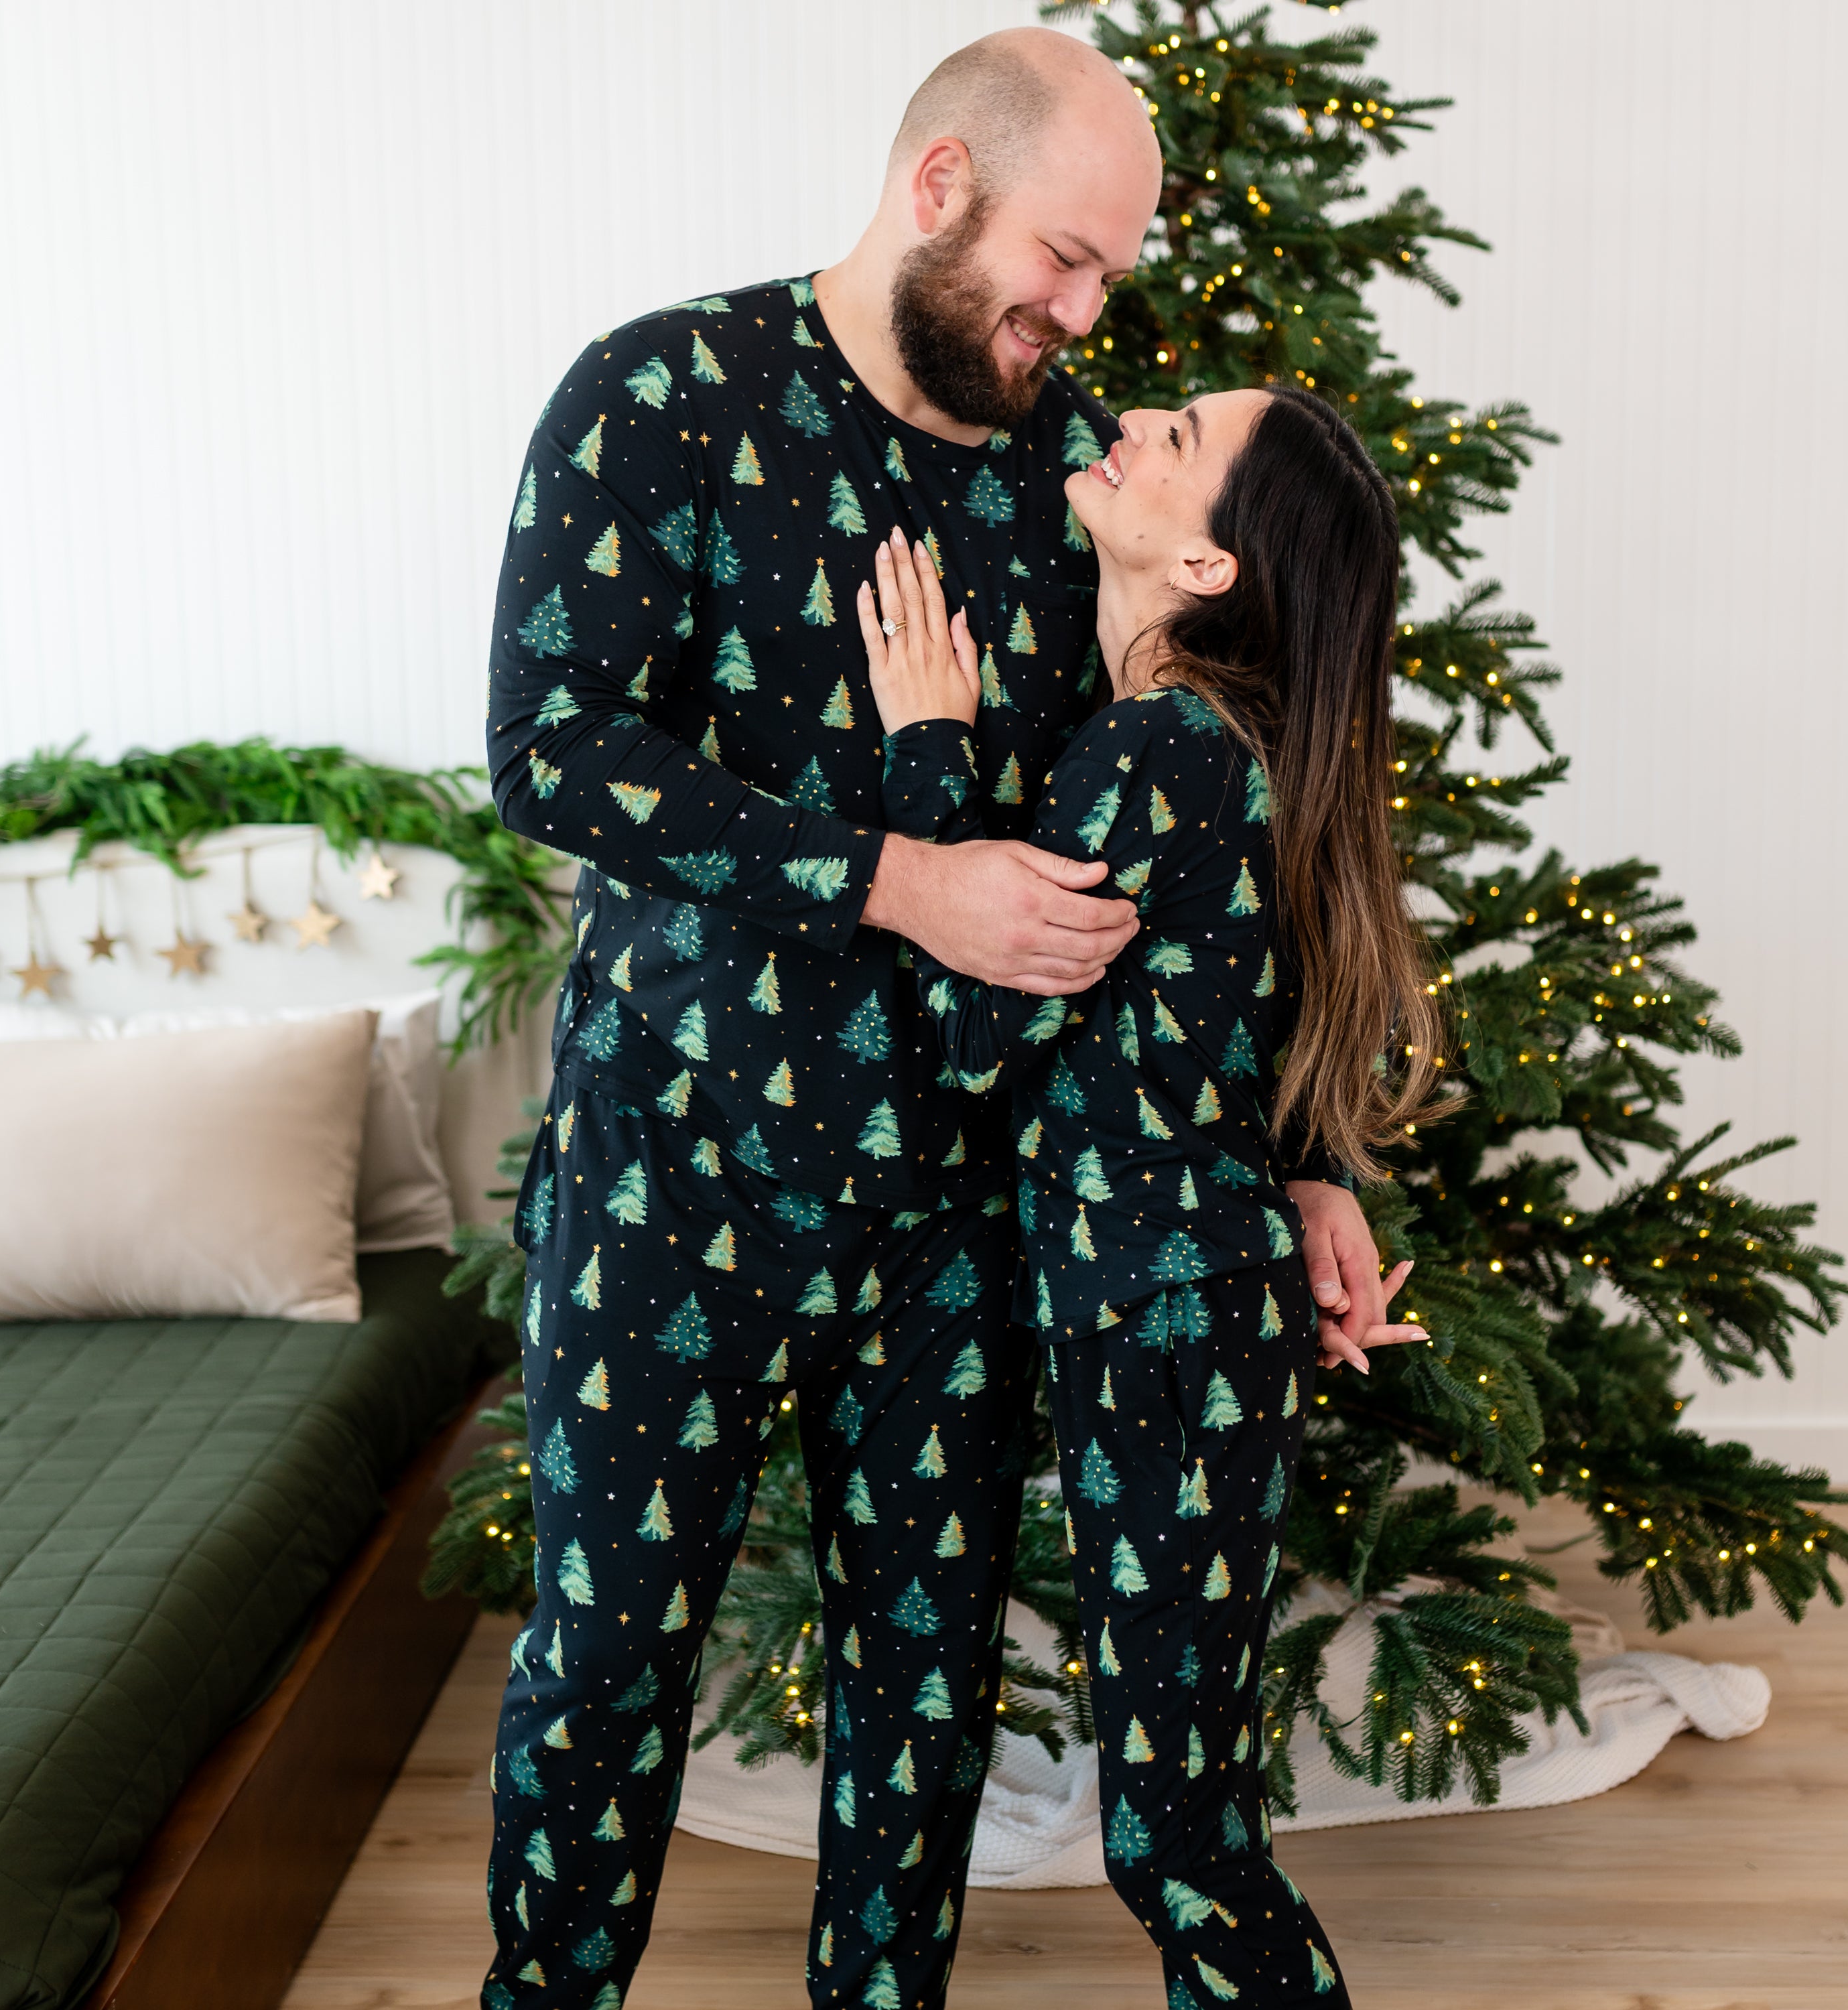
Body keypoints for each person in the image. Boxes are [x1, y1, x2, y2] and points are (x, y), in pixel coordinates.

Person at [479, 24, 1398, 2009]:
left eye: (1111, 284)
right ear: (938, 189)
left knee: (920, 1704)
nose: (1083, 318)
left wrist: (1300, 1161)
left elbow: (1181, 864)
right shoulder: (662, 395)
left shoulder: (1065, 494)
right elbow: (555, 755)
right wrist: (899, 875)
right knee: (600, 1671)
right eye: (1066, 260)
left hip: (966, 1221)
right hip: (673, 1187)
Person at [856, 383, 1443, 2007]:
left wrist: (925, 751)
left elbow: (975, 1035)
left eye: (1176, 439)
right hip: (1182, 1315)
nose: (1127, 423)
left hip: (1170, 1326)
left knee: (1175, 1837)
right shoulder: (1200, 748)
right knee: (1184, 1818)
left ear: (1203, 567)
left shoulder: (1151, 752)